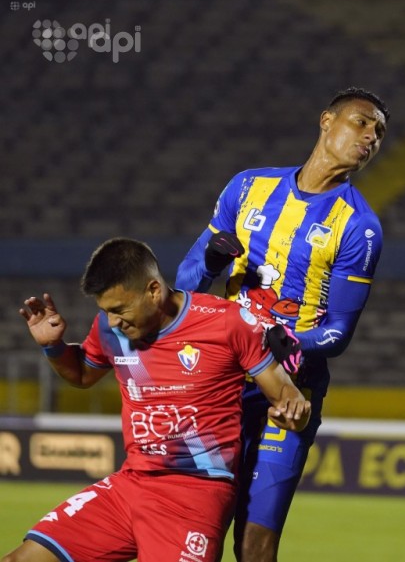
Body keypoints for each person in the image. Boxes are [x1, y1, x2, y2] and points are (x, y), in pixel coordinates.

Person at [175, 86, 389, 561]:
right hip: (221, 385)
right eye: (362, 122)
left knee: (255, 545)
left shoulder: (359, 226)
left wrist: (287, 341)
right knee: (197, 533)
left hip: (290, 395)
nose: (371, 136)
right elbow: (186, 283)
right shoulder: (248, 187)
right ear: (326, 121)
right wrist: (212, 258)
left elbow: (338, 332)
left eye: (379, 132)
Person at [4, 237, 311, 562]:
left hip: (194, 495)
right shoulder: (111, 331)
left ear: (153, 290)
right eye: (105, 311)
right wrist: (54, 347)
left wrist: (294, 412)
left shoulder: (227, 322)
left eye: (119, 310)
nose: (113, 322)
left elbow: (287, 396)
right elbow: (82, 375)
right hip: (130, 485)